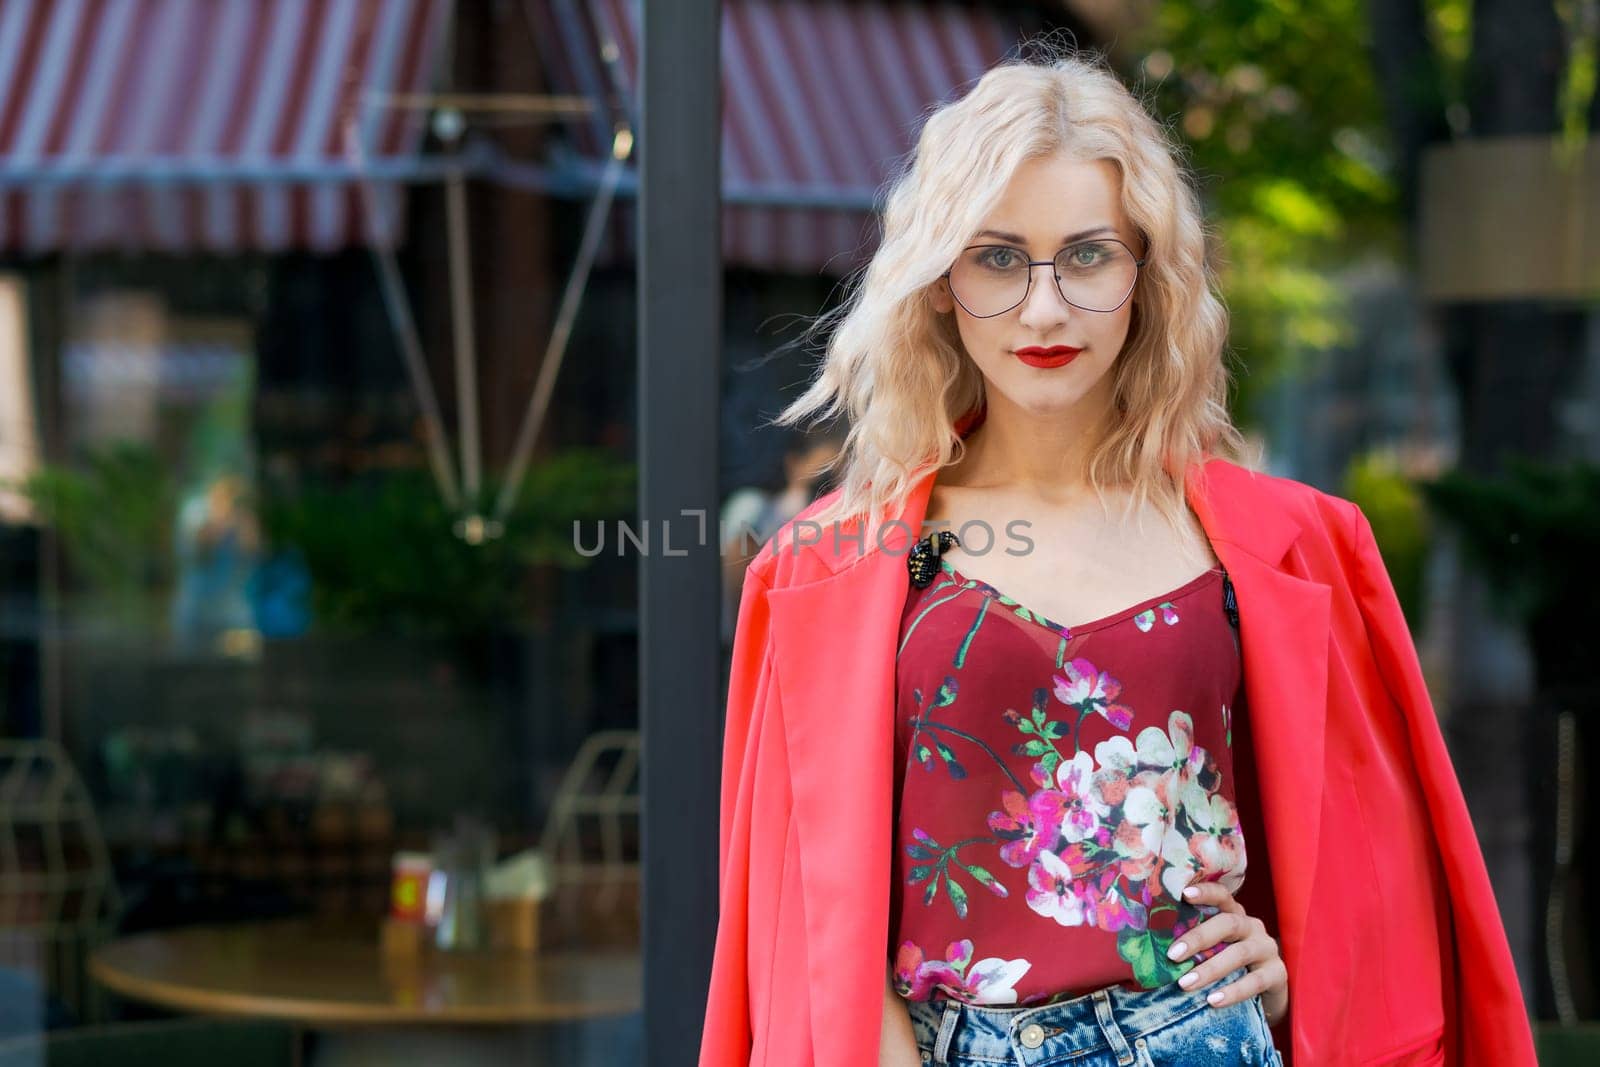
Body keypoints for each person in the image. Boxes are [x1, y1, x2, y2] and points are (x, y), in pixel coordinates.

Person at [699, 46, 1535, 1067]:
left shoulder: (1294, 545)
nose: (1044, 308)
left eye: (1087, 255)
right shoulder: (827, 565)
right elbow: (798, 909)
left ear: (1146, 272)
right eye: (997, 256)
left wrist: (1281, 965)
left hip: (1206, 1039)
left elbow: (1368, 873)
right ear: (937, 283)